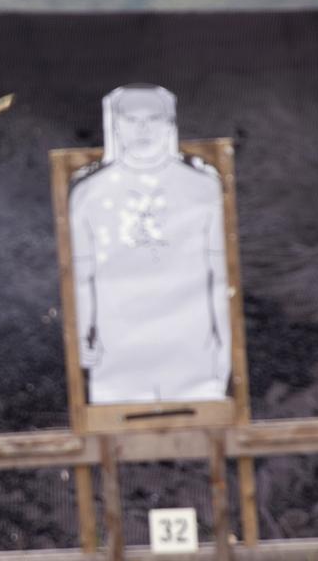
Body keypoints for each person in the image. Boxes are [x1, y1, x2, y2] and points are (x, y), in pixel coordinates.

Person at [69, 84, 229, 403]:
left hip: (193, 354)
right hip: (117, 356)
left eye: (153, 118)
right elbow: (81, 278)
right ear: (116, 125)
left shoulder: (203, 189)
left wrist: (225, 350)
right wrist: (82, 336)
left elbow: (220, 278)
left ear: (169, 124)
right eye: (131, 119)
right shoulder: (90, 194)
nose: (142, 128)